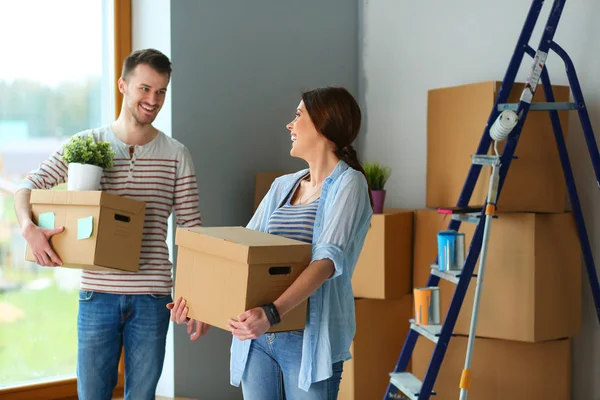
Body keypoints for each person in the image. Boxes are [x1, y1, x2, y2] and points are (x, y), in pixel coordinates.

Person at [14, 48, 202, 400]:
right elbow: (27, 186)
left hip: (153, 297)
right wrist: (29, 230)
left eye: (161, 91)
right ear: (122, 85)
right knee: (91, 395)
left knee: (142, 396)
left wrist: (198, 299)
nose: (153, 100)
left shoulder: (177, 155)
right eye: (145, 89)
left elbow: (191, 232)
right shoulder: (87, 145)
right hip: (96, 293)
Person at [169, 86, 373, 399]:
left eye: (298, 115)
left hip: (307, 341)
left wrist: (272, 313)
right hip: (258, 340)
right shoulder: (283, 186)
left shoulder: (350, 184)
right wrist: (200, 304)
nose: (290, 125)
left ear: (323, 123)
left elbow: (326, 261)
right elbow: (241, 254)